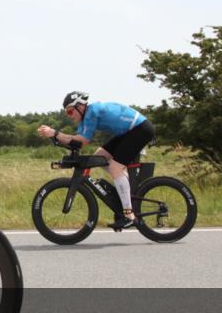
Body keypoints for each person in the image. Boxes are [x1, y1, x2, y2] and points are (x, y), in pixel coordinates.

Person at [37, 92, 155, 229]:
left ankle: (129, 215)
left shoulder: (92, 112)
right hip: (128, 132)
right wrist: (56, 137)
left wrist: (56, 133)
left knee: (114, 168)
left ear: (80, 106)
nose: (70, 116)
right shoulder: (85, 118)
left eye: (70, 112)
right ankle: (125, 194)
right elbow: (76, 142)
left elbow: (83, 141)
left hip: (140, 129)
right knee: (99, 158)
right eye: (67, 113)